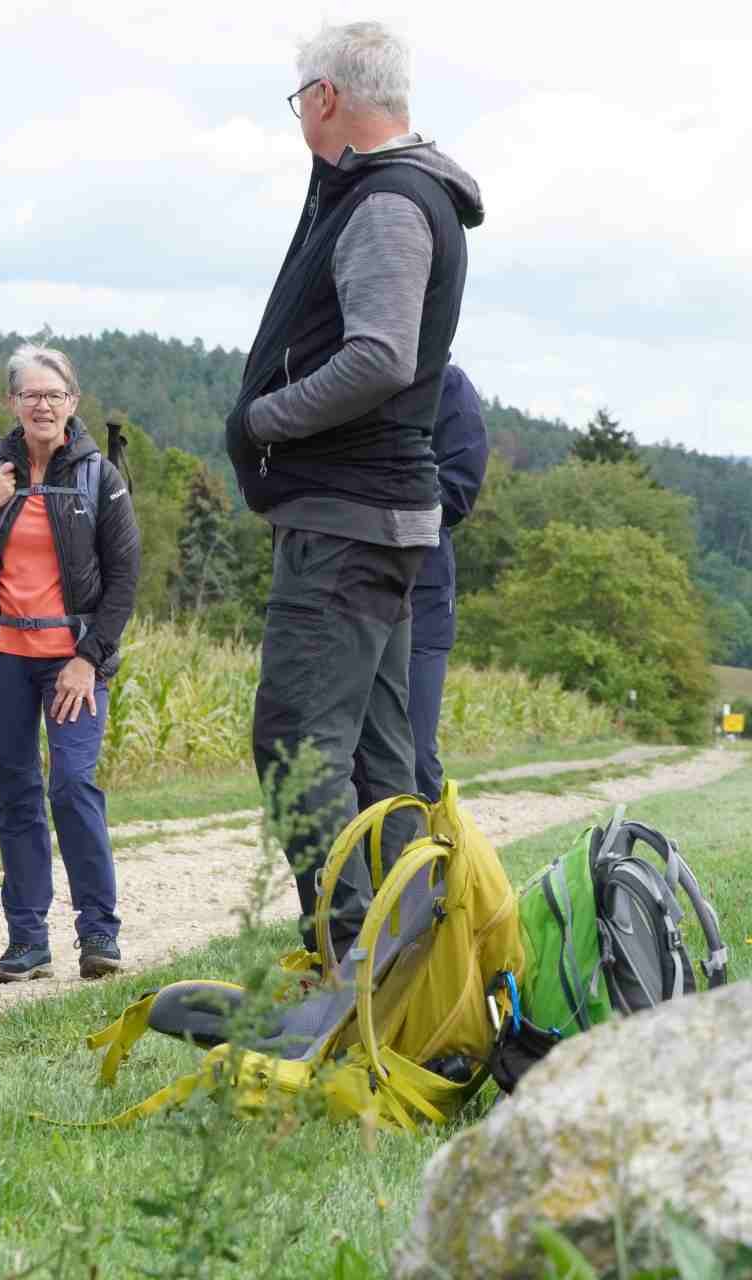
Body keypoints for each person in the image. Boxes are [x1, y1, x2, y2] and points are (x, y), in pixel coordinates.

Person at [222, 21, 484, 953]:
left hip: (349, 519)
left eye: (301, 98)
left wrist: (264, 419)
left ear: (326, 96)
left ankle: (348, 960)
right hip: (375, 519)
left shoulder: (386, 204)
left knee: (298, 747)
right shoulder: (398, 193)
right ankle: (405, 960)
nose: (301, 115)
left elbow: (379, 357)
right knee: (382, 761)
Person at [0, 345, 140, 983]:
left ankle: (99, 933)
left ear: (72, 403)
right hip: (2, 657)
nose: (42, 405)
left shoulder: (99, 476)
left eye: (54, 395)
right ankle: (27, 941)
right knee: (17, 791)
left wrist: (89, 658)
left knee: (72, 786)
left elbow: (124, 581)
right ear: (12, 402)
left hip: (72, 661)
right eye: (30, 394)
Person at [408, 364, 488, 801]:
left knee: (415, 753)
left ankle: (427, 842)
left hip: (423, 598)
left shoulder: (449, 385)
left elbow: (458, 491)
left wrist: (387, 490)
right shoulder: (352, 374)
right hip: (350, 589)